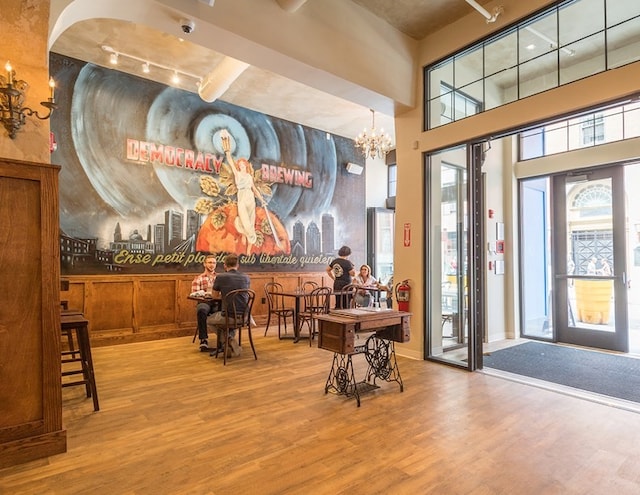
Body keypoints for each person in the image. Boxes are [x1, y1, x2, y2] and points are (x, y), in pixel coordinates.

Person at [221, 129, 266, 256]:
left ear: (246, 165)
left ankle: (248, 251)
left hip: (250, 198)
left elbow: (254, 189)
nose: (241, 166)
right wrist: (228, 151)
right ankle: (251, 236)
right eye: (239, 164)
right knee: (244, 219)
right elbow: (230, 161)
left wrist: (262, 200)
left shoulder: (249, 177)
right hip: (241, 196)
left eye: (242, 164)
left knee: (251, 221)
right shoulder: (237, 174)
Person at [207, 253, 251, 357]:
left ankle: (228, 340)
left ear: (224, 266)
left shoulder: (221, 277)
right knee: (231, 323)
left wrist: (225, 295)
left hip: (229, 317)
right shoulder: (246, 277)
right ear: (238, 265)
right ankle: (228, 343)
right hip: (245, 317)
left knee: (209, 321)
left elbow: (214, 296)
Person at [191, 254, 218, 352]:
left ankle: (225, 338)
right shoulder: (198, 278)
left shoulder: (220, 277)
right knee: (201, 310)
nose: (212, 265)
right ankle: (203, 340)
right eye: (210, 262)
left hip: (217, 302)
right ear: (204, 264)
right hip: (204, 302)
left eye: (214, 263)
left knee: (226, 309)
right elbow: (195, 295)